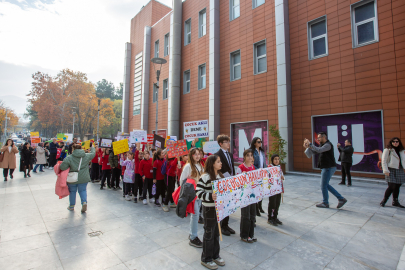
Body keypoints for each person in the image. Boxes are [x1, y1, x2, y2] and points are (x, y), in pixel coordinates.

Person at [196, 155, 225, 269]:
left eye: (220, 161)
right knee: (209, 233)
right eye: (218, 161)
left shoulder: (220, 176)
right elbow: (198, 192)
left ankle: (215, 255)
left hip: (219, 208)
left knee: (217, 233)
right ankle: (206, 259)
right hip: (209, 209)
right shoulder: (205, 176)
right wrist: (210, 196)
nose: (221, 163)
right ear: (212, 163)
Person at [304, 132, 347, 208]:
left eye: (319, 138)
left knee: (323, 185)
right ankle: (340, 199)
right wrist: (307, 147)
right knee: (325, 185)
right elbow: (314, 152)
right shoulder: (322, 145)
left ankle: (326, 202)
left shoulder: (328, 145)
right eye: (317, 138)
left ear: (324, 137)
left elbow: (319, 150)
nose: (318, 139)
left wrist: (310, 144)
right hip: (326, 167)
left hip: (328, 167)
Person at [60, 143, 96, 212]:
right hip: (84, 177)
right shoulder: (86, 156)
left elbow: (62, 167)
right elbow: (93, 154)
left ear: (73, 149)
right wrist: (93, 147)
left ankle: (71, 206)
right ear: (81, 149)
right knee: (83, 190)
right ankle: (84, 202)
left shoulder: (69, 157)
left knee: (72, 191)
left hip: (72, 178)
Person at [180, 148, 204, 248]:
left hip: (199, 195)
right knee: (195, 215)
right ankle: (193, 237)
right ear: (191, 155)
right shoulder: (188, 166)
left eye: (199, 154)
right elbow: (182, 181)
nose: (197, 156)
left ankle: (192, 234)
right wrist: (188, 180)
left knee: (196, 215)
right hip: (192, 195)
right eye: (195, 154)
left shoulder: (200, 165)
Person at [214, 134, 236, 236]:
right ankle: (222, 226)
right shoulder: (217, 155)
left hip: (231, 181)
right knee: (223, 205)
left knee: (229, 205)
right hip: (222, 182)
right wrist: (223, 177)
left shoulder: (230, 154)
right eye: (226, 142)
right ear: (221, 143)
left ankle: (226, 224)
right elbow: (217, 169)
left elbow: (232, 168)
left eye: (228, 141)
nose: (228, 144)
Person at [236, 149, 257, 243]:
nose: (250, 157)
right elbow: (236, 182)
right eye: (248, 155)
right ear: (244, 157)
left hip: (252, 195)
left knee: (252, 215)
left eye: (251, 155)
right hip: (244, 196)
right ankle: (244, 235)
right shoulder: (240, 168)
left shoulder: (253, 167)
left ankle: (251, 235)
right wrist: (242, 176)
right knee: (246, 216)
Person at [380, 137, 405, 208]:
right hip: (390, 169)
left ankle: (395, 201)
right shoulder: (387, 150)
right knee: (392, 186)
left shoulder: (401, 150)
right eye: (393, 142)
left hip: (399, 169)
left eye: (397, 141)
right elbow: (383, 161)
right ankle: (384, 200)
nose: (395, 143)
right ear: (391, 142)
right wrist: (385, 170)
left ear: (399, 142)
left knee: (397, 186)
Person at [250, 137, 266, 216]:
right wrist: (258, 169)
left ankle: (260, 206)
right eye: (258, 141)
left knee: (261, 191)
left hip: (262, 173)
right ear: (254, 143)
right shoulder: (252, 152)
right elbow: (251, 163)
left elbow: (264, 162)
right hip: (255, 173)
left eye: (261, 141)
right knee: (256, 191)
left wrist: (265, 170)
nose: (260, 143)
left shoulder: (262, 151)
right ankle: (256, 208)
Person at [267, 154, 285, 226]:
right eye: (275, 159)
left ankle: (275, 217)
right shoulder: (269, 167)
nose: (277, 161)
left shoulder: (279, 167)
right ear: (272, 160)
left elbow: (282, 176)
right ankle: (270, 218)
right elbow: (268, 178)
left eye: (278, 159)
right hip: (272, 189)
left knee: (277, 203)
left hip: (278, 188)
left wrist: (282, 177)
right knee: (272, 203)